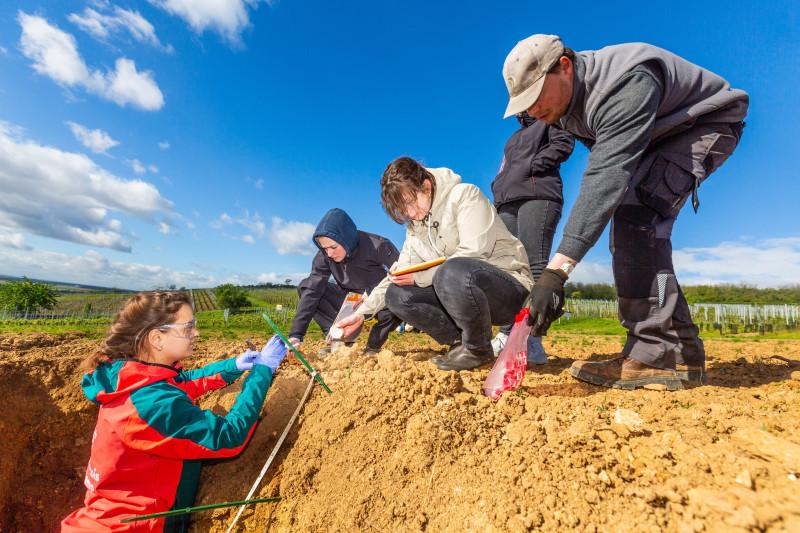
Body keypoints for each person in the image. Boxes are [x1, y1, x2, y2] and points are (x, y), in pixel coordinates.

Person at [501, 34, 748, 390]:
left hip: (703, 123)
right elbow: (607, 163)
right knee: (637, 227)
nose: (532, 110)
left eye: (536, 95)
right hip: (656, 138)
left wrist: (555, 274)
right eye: (524, 104)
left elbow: (607, 173)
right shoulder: (563, 111)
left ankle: (656, 352)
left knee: (638, 221)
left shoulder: (624, 83)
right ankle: (679, 352)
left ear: (565, 67)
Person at [61, 291, 287, 532]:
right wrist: (262, 372)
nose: (196, 333)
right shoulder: (153, 404)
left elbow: (182, 384)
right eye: (188, 327)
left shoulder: (132, 380)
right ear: (157, 338)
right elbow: (228, 436)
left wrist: (234, 366)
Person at [338, 157, 533, 371]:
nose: (410, 213)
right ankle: (459, 343)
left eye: (411, 203)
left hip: (508, 290)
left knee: (451, 270)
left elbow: (474, 253)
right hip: (462, 294)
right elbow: (397, 274)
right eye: (403, 210)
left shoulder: (466, 195)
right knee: (396, 294)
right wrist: (361, 314)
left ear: (426, 186)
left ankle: (477, 348)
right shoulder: (415, 228)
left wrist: (420, 277)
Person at [490, 111, 574, 364]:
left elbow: (564, 144)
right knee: (508, 266)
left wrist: (531, 167)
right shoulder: (514, 138)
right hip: (507, 201)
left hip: (539, 195)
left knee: (533, 262)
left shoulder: (551, 121)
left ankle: (531, 339)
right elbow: (505, 167)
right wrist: (499, 185)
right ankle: (508, 332)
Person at [288, 208, 401, 356]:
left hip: (376, 297)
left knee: (397, 299)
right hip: (348, 299)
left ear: (346, 239)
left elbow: (400, 274)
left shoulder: (378, 245)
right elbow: (312, 289)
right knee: (306, 286)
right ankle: (338, 338)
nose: (329, 254)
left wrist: (370, 292)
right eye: (324, 248)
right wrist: (296, 334)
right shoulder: (325, 255)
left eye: (333, 247)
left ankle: (373, 347)